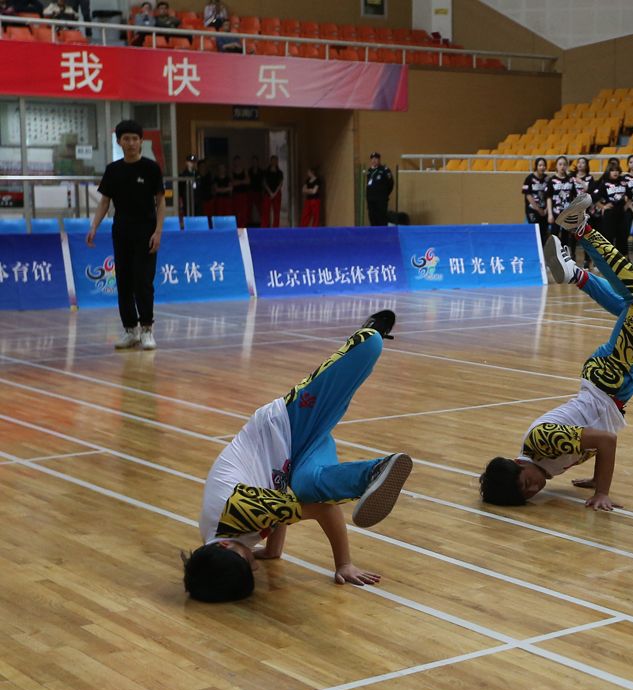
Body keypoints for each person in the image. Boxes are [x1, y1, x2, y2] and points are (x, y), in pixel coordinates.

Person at [183, 311, 414, 603]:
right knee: (307, 486)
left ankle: (369, 330)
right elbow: (277, 506)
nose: (253, 566)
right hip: (296, 459)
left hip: (289, 423)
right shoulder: (217, 539)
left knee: (371, 346)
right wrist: (271, 551)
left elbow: (323, 509)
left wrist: (343, 564)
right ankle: (376, 471)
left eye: (247, 561)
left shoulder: (235, 511)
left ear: (227, 547)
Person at [479, 193, 633, 511]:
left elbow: (606, 441)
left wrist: (602, 491)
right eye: (528, 496)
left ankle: (582, 230)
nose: (534, 489)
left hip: (611, 377)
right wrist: (595, 475)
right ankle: (574, 273)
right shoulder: (546, 463)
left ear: (519, 465)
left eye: (525, 484)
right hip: (609, 383)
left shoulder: (541, 442)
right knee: (632, 308)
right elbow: (594, 442)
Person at [86, 119, 165, 351]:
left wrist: (158, 231)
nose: (130, 143)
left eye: (135, 139)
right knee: (124, 282)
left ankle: (147, 330)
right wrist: (93, 226)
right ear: (119, 142)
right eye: (126, 139)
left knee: (143, 281)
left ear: (141, 141)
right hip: (121, 232)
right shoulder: (113, 170)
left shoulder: (151, 168)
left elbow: (161, 202)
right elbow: (104, 202)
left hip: (146, 232)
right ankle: (130, 330)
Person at [596, 160, 629, 256]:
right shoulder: (604, 183)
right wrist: (603, 206)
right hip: (609, 215)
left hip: (621, 215)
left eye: (617, 170)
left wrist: (626, 207)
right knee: (608, 237)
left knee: (622, 237)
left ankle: (622, 259)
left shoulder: (623, 183)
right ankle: (608, 259)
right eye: (613, 170)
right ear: (609, 172)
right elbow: (594, 197)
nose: (615, 172)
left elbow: (630, 196)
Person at [546, 155, 576, 252]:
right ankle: (553, 256)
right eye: (560, 164)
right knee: (554, 235)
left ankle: (565, 257)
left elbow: (574, 197)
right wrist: (550, 214)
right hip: (555, 212)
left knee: (565, 236)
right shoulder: (552, 180)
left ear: (567, 166)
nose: (562, 166)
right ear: (556, 166)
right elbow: (549, 198)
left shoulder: (571, 180)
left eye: (564, 164)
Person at [521, 157, 549, 242]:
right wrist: (538, 209)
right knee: (534, 231)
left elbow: (550, 195)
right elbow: (528, 195)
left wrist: (546, 209)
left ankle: (543, 252)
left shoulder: (548, 179)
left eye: (544, 165)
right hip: (532, 210)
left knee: (544, 232)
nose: (542, 167)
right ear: (536, 166)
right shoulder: (529, 179)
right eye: (540, 165)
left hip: (545, 210)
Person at [365, 152, 393, 227]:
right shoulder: (369, 171)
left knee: (381, 219)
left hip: (381, 200)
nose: (374, 160)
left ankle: (383, 237)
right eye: (372, 159)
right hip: (371, 201)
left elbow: (390, 184)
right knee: (372, 218)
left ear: (379, 160)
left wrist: (384, 195)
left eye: (376, 158)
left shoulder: (384, 170)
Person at [262, 155, 284, 228]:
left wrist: (274, 193)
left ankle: (275, 227)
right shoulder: (266, 172)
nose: (274, 162)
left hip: (277, 194)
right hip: (267, 193)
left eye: (276, 160)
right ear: (270, 161)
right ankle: (265, 227)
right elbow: (265, 183)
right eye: (273, 160)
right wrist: (270, 192)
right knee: (266, 212)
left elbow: (280, 184)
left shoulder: (280, 172)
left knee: (276, 212)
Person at [178, 153, 199, 219]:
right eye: (190, 162)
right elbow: (180, 190)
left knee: (198, 218)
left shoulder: (197, 174)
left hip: (197, 200)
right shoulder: (183, 175)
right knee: (188, 218)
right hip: (187, 201)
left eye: (194, 162)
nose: (192, 164)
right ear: (186, 163)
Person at [248, 155, 263, 226]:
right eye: (253, 161)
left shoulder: (261, 172)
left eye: (255, 161)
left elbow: (263, 182)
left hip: (259, 192)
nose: (254, 163)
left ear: (258, 162)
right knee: (250, 209)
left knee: (260, 208)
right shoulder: (249, 171)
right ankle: (250, 224)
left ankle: (261, 224)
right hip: (251, 192)